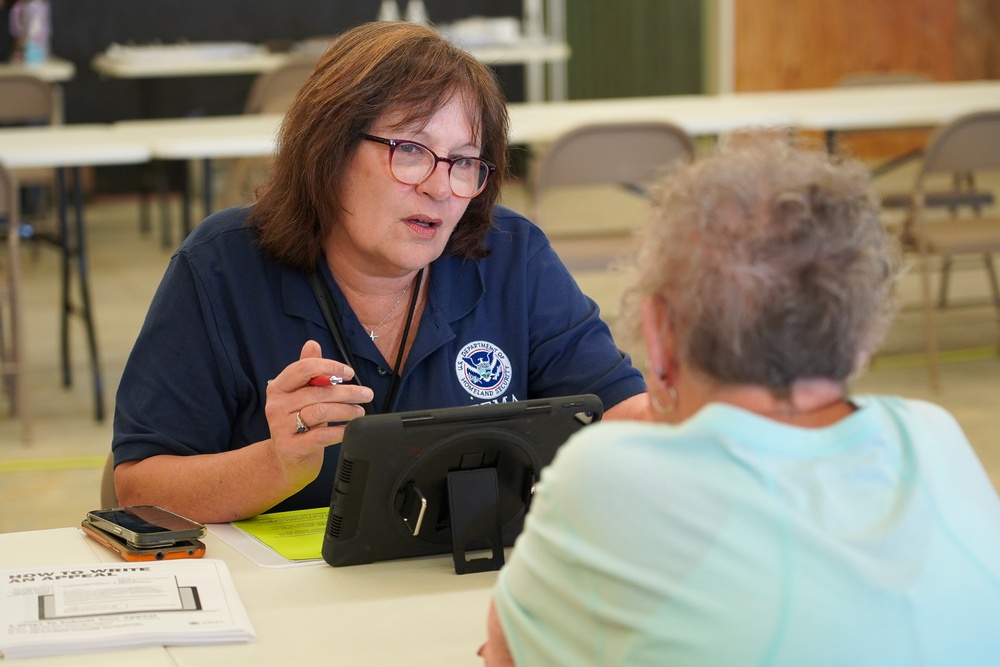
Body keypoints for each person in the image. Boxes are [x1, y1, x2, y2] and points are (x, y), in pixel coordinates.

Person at [482, 139, 1000, 666]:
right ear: (863, 333)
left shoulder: (606, 475)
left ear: (659, 331)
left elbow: (506, 655)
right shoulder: (934, 437)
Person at [111, 21, 648, 524]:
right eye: (411, 150)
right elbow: (139, 488)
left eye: (464, 162)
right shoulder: (223, 267)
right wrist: (277, 464)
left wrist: (702, 395)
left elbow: (619, 413)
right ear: (329, 149)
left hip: (460, 593)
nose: (441, 188)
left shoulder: (509, 256)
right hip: (290, 608)